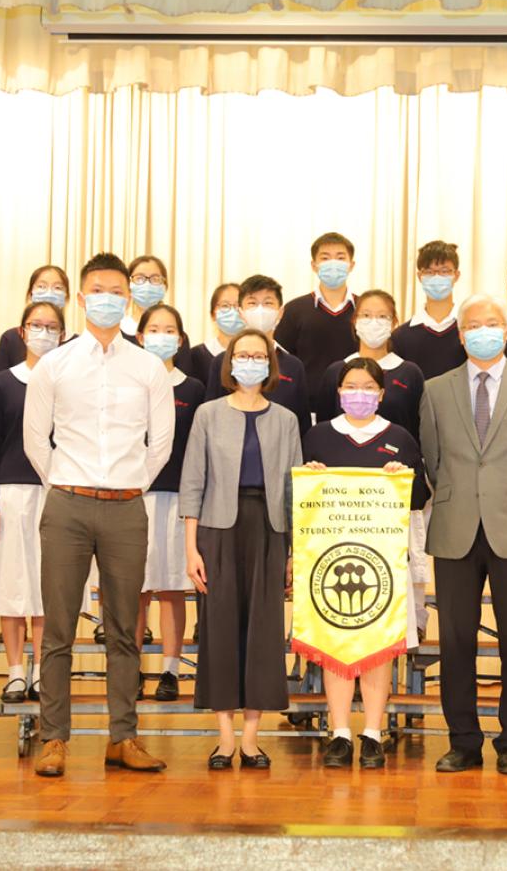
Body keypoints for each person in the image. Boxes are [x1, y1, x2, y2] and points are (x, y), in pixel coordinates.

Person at [24, 252, 174, 778]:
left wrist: (129, 485)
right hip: (66, 504)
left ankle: (123, 738)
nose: (107, 299)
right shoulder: (55, 364)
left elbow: (160, 444)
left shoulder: (148, 367)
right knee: (58, 629)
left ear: (128, 299)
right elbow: (35, 440)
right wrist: (65, 483)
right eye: (98, 291)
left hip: (126, 508)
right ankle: (54, 739)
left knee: (124, 630)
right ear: (82, 298)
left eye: (117, 292)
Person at [420, 293, 507, 776]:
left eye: (492, 323)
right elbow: (433, 461)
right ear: (461, 336)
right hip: (455, 527)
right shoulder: (436, 390)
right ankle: (463, 741)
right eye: (473, 325)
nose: (483, 331)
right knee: (456, 640)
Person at [181, 328, 303, 770]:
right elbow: (192, 482)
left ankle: (252, 739)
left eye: (258, 355)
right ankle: (225, 739)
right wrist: (191, 549)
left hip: (270, 530)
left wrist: (294, 551)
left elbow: (294, 490)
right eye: (242, 354)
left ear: (270, 365)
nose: (250, 361)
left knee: (264, 632)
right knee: (219, 629)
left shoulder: (286, 420)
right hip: (217, 529)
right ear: (229, 362)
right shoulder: (208, 414)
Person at [302, 357, 430, 769]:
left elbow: (419, 499)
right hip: (330, 559)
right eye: (351, 386)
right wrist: (310, 478)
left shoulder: (399, 437)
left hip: (384, 563)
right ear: (339, 392)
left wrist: (401, 477)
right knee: (334, 643)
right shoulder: (319, 436)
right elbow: (300, 498)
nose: (359, 394)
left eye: (368, 387)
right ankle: (339, 733)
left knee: (379, 647)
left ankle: (373, 733)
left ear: (381, 393)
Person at [0, 301, 64, 702]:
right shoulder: (2, 384)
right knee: (12, 587)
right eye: (36, 325)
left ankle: (43, 672)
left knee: (47, 590)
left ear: (63, 335)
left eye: (52, 326)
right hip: (11, 496)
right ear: (22, 331)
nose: (43, 332)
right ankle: (14, 672)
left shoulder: (67, 384)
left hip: (56, 495)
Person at [133, 304, 205, 702]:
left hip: (178, 497)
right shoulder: (128, 382)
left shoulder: (193, 388)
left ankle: (170, 671)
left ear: (180, 340)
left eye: (169, 330)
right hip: (133, 496)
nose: (161, 336)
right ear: (140, 336)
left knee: (172, 589)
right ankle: (130, 669)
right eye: (154, 329)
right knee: (135, 590)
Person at [203, 275, 311, 436]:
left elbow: (302, 425)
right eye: (252, 303)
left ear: (280, 312)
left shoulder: (294, 366)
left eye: (268, 303)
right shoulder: (223, 361)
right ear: (240, 312)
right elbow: (211, 417)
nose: (260, 310)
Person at [315, 289, 425, 440]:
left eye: (382, 316)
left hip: (397, 453)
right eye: (366, 315)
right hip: (340, 453)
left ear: (393, 323)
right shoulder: (336, 371)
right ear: (355, 320)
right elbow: (324, 425)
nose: (374, 323)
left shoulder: (409, 373)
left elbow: (417, 427)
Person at [275, 232, 359, 411]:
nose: (333, 264)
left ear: (351, 265)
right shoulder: (294, 309)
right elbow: (283, 362)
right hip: (306, 407)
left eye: (340, 258)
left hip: (358, 404)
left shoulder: (365, 310)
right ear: (314, 266)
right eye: (325, 258)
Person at [391, 240, 468, 380]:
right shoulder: (400, 337)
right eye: (429, 272)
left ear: (456, 275)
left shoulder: (470, 330)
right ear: (419, 276)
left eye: (444, 271)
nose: (437, 277)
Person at [0, 265, 72, 374]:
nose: (49, 293)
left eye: (57, 288)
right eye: (41, 286)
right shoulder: (10, 338)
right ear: (30, 294)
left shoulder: (77, 343)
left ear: (66, 297)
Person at [123, 255, 191, 371]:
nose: (147, 285)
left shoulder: (176, 337)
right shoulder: (118, 332)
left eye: (155, 279)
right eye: (139, 278)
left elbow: (184, 378)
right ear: (128, 285)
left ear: (165, 286)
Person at [189, 282, 244, 385]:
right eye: (225, 306)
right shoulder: (196, 356)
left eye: (238, 306)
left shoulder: (255, 355)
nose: (232, 311)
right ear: (213, 314)